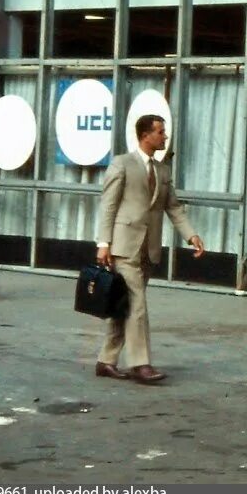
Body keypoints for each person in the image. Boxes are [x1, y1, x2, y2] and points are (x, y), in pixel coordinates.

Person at [95, 114, 205, 384]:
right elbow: (108, 205)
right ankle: (140, 364)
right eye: (160, 132)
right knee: (137, 306)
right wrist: (103, 243)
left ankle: (105, 361)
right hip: (123, 246)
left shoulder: (163, 170)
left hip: (148, 248)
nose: (164, 137)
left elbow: (173, 208)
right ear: (145, 135)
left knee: (125, 306)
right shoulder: (122, 164)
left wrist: (191, 236)